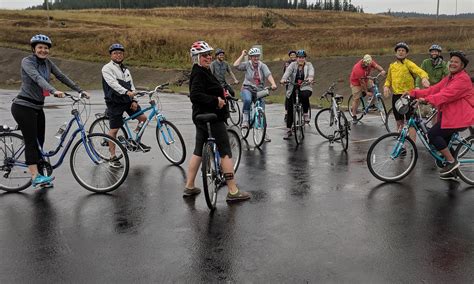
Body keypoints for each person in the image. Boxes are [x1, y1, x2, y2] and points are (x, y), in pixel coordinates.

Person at [11, 34, 89, 189]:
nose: (43, 50)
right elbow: (37, 78)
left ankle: (42, 177)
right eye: (40, 47)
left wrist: (80, 90)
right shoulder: (27, 61)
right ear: (34, 49)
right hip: (23, 107)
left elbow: (61, 76)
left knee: (40, 142)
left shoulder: (48, 63)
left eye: (46, 48)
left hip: (38, 108)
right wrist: (53, 91)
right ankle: (34, 177)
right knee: (32, 141)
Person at [184, 40, 250, 202]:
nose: (208, 58)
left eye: (209, 55)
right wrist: (217, 101)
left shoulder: (201, 70)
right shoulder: (199, 72)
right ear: (196, 57)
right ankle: (233, 191)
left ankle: (190, 186)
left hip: (200, 117)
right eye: (204, 55)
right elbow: (196, 95)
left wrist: (222, 93)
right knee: (225, 151)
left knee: (198, 150)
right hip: (213, 118)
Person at [409, 51, 474, 180]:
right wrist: (414, 93)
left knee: (432, 134)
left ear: (462, 66)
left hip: (458, 118)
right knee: (445, 142)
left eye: (457, 62)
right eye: (452, 61)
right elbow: (434, 89)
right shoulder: (450, 78)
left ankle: (451, 162)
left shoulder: (462, 79)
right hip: (448, 116)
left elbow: (446, 95)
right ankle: (452, 172)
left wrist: (427, 100)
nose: (453, 63)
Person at [102, 43, 150, 168]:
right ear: (111, 55)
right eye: (115, 53)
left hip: (128, 100)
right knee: (114, 130)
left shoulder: (126, 69)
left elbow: (132, 86)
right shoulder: (107, 68)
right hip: (115, 102)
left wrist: (134, 99)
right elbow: (113, 84)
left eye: (120, 53)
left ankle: (136, 141)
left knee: (143, 119)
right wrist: (126, 92)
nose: (118, 55)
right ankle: (112, 157)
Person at [384, 42, 430, 138]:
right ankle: (401, 145)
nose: (401, 52)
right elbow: (388, 79)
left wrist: (424, 78)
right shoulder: (392, 66)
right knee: (399, 121)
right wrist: (386, 86)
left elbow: (420, 71)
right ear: (396, 53)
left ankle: (413, 145)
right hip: (396, 96)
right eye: (399, 50)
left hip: (409, 95)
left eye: (403, 51)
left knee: (411, 122)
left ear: (406, 53)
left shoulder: (409, 64)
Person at [233, 47, 277, 142]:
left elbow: (268, 75)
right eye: (254, 57)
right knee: (248, 100)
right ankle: (245, 121)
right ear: (250, 57)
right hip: (247, 88)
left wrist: (273, 84)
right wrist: (242, 55)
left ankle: (263, 132)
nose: (256, 58)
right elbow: (235, 65)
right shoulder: (247, 65)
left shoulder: (263, 66)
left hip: (259, 90)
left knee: (261, 110)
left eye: (257, 56)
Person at [280, 49, 314, 139]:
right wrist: (283, 79)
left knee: (304, 95)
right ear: (297, 58)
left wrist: (310, 78)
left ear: (305, 58)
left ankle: (305, 114)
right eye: (299, 57)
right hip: (293, 86)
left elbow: (311, 72)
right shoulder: (292, 65)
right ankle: (288, 129)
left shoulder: (309, 65)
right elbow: (287, 72)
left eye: (302, 58)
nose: (300, 59)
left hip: (305, 86)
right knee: (290, 107)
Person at [349, 54, 386, 124]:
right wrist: (366, 92)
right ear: (363, 61)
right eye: (365, 65)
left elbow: (377, 66)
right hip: (356, 83)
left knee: (374, 89)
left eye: (368, 65)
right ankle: (354, 116)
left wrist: (382, 71)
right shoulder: (358, 68)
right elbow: (362, 83)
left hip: (366, 79)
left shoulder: (370, 62)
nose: (366, 66)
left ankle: (371, 105)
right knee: (356, 99)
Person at [283, 50, 297, 123]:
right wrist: (285, 80)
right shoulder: (288, 63)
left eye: (294, 55)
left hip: (297, 82)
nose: (293, 56)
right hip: (289, 82)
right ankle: (286, 112)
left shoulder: (299, 61)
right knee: (288, 97)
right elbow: (286, 72)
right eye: (291, 55)